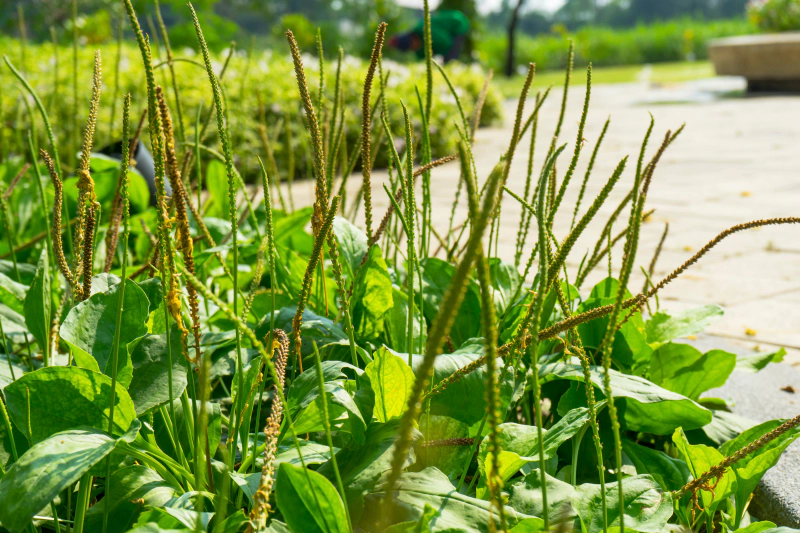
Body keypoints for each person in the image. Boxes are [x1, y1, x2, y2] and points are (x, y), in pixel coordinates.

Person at [388, 9, 470, 63]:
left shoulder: (426, 31)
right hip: (448, 31)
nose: (415, 48)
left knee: (451, 59)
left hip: (457, 23)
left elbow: (447, 42)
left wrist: (436, 54)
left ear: (413, 39)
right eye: (411, 49)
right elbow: (422, 58)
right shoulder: (417, 50)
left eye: (413, 45)